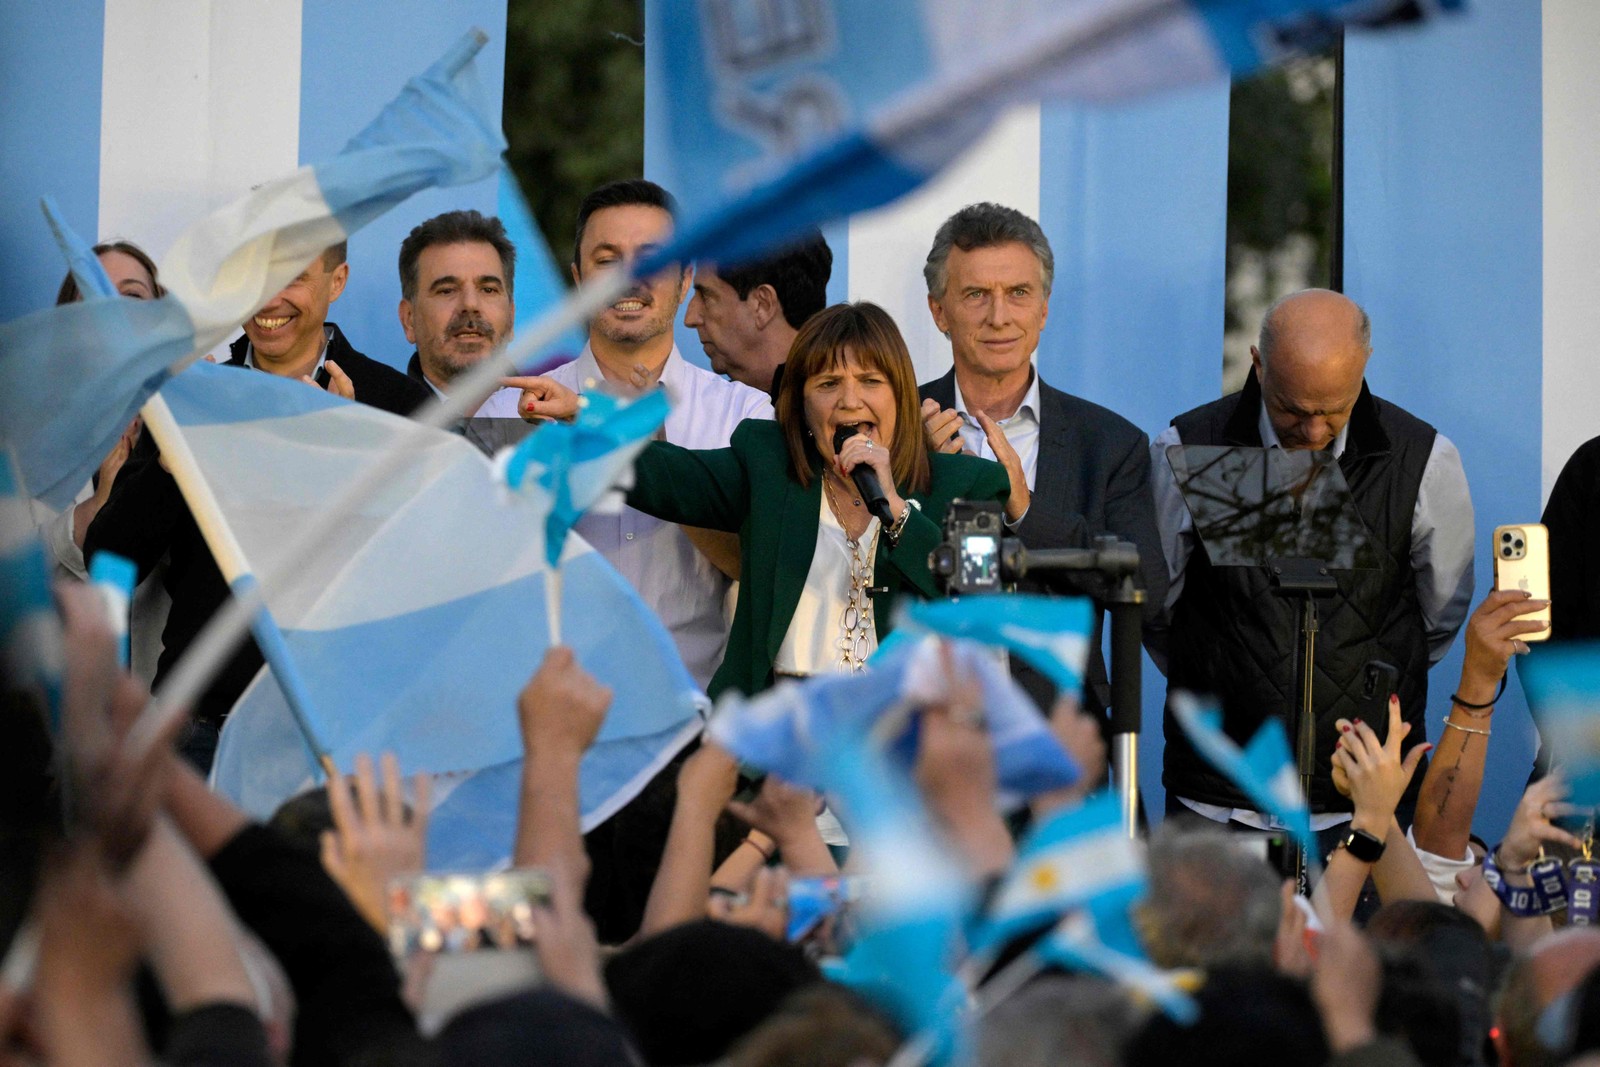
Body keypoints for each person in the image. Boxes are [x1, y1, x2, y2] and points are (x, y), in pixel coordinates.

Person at [85, 244, 432, 770]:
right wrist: (173, 464)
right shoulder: (195, 398)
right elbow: (108, 558)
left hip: (337, 740)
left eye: (292, 275)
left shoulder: (400, 406)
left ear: (336, 282)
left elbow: (426, 576)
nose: (269, 296)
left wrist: (348, 458)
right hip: (197, 733)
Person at [1150, 287, 1474, 826]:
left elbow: (1437, 618)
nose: (1315, 431)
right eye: (1291, 411)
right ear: (1258, 365)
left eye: (1334, 410)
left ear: (1365, 364)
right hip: (1216, 798)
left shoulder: (1421, 458)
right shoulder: (1194, 446)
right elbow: (1162, 611)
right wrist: (1220, 674)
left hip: (1361, 803)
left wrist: (1367, 679)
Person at [624, 301, 1010, 699]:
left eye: (870, 381)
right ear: (804, 408)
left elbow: (981, 606)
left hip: (906, 741)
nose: (849, 400)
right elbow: (670, 477)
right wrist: (578, 423)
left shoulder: (971, 485)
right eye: (828, 384)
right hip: (784, 738)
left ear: (901, 396)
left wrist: (896, 511)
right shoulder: (770, 469)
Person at [917, 202, 1167, 714]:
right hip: (927, 739)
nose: (999, 316)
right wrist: (921, 481)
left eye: (1018, 294)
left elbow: (1148, 593)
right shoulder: (901, 428)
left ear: (1044, 309)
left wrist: (1026, 508)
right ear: (938, 311)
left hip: (1064, 741)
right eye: (976, 295)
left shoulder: (1110, 444)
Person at [543, 178, 774, 692]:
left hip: (694, 721)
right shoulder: (521, 411)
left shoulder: (747, 415)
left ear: (686, 276)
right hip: (558, 726)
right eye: (608, 260)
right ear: (580, 278)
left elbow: (757, 568)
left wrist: (662, 461)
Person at [395, 208, 525, 417]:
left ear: (511, 316)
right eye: (447, 290)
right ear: (409, 320)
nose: (470, 304)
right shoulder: (376, 435)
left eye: (488, 289)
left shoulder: (560, 428)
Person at [683, 229, 833, 398]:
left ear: (762, 305)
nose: (689, 319)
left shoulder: (844, 415)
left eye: (706, 297)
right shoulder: (704, 413)